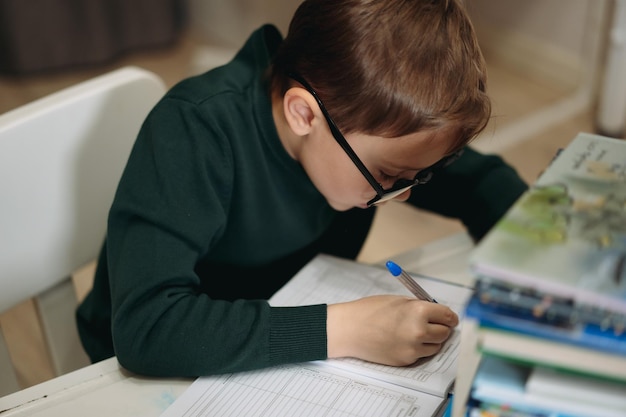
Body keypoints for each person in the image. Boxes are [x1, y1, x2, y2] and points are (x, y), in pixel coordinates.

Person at [77, 0, 528, 377]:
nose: (403, 193)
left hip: (283, 340)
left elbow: (484, 182)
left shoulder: (359, 123)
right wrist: (344, 329)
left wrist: (542, 265)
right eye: (389, 177)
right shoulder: (194, 132)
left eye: (418, 175)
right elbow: (148, 328)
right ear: (304, 115)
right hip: (159, 368)